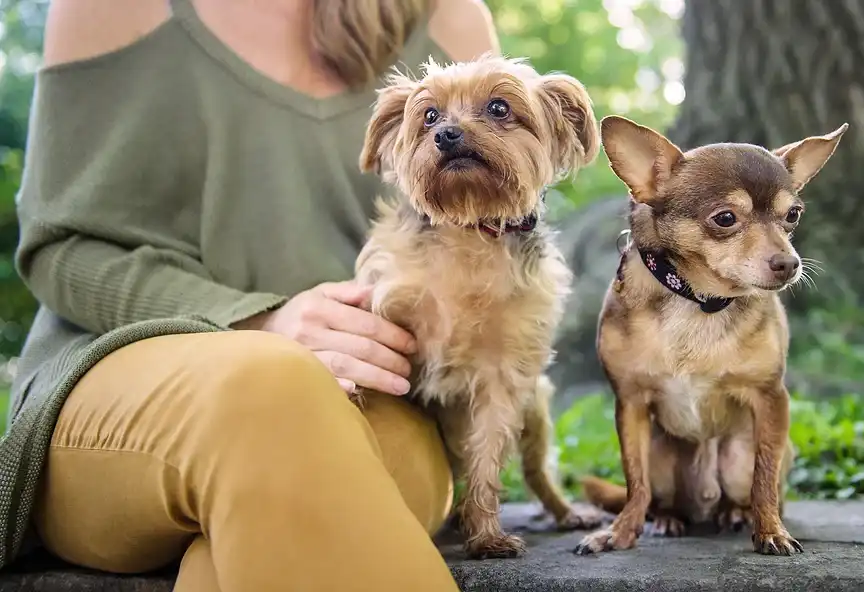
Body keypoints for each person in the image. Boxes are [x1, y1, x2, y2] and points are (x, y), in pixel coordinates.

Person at [0, 0, 500, 590]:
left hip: (377, 399)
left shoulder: (448, 18)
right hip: (115, 379)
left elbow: (495, 234)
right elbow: (62, 247)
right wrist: (262, 321)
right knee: (274, 382)